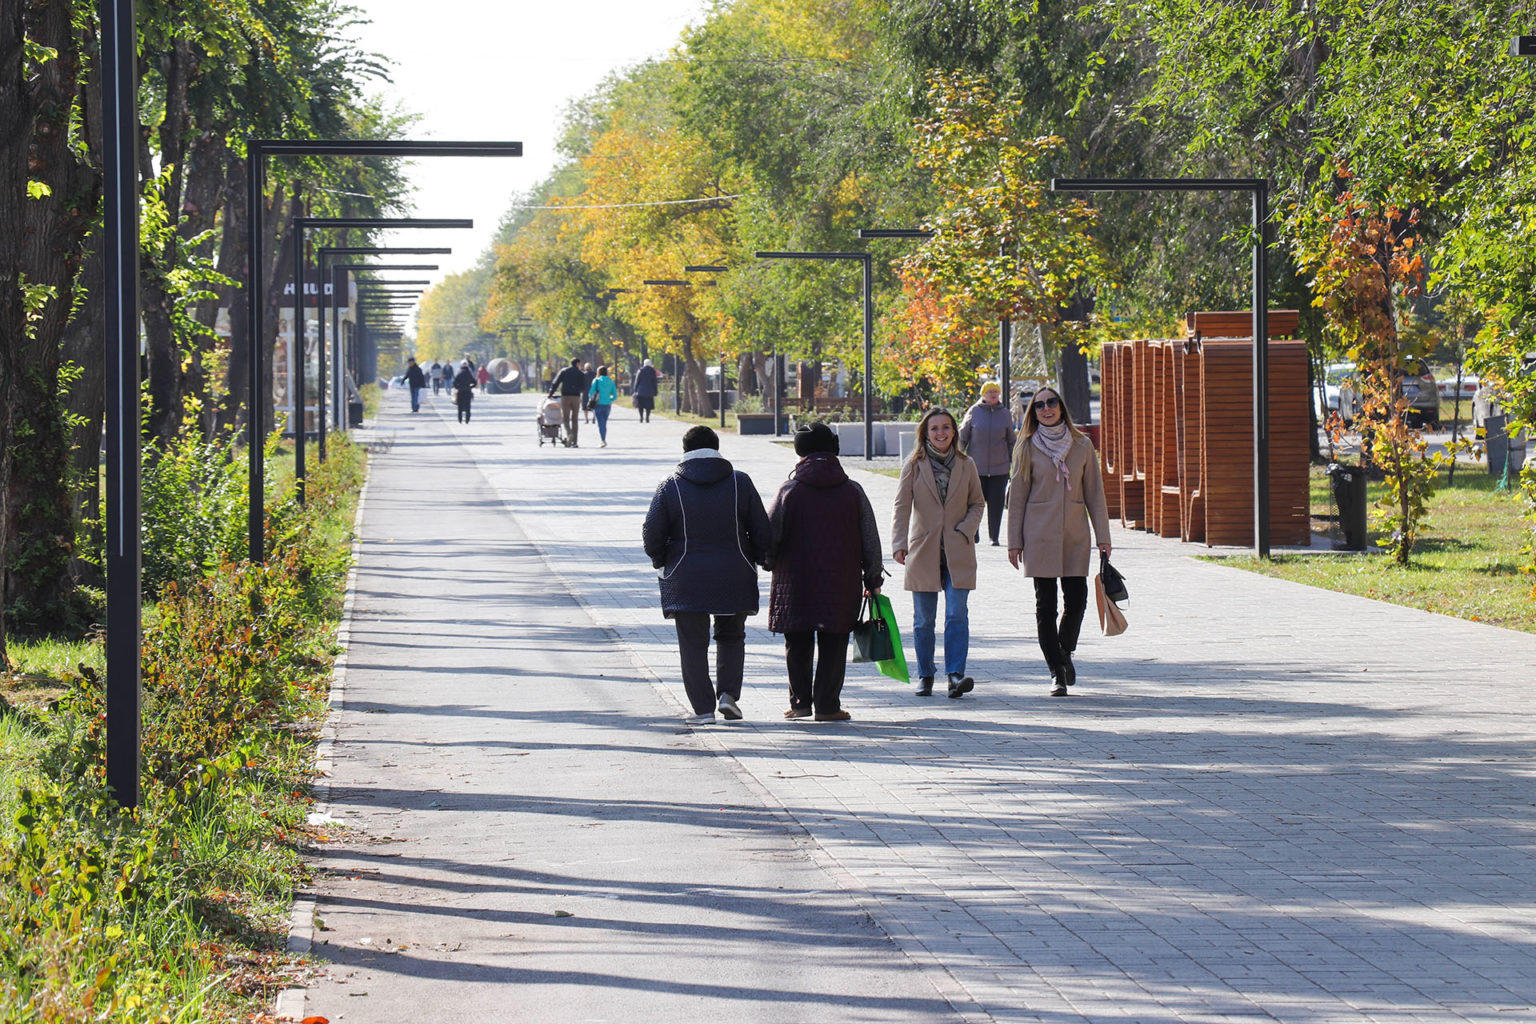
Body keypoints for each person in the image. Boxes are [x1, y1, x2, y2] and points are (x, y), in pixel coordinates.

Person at [642, 426, 772, 725]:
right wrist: (763, 557)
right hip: (734, 571)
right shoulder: (739, 481)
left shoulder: (670, 485)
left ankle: (702, 709)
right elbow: (761, 528)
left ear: (685, 451)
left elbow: (652, 533)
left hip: (685, 575)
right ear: (717, 448)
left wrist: (660, 561)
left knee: (692, 642)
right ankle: (728, 695)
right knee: (731, 635)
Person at [767, 423, 884, 722]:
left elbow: (771, 535)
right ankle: (828, 706)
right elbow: (870, 537)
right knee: (834, 642)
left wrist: (768, 561)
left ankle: (800, 703)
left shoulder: (789, 491)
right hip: (840, 582)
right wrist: (873, 578)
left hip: (795, 583)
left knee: (797, 641)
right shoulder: (852, 490)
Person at [1006, 385, 1112, 697]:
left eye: (1052, 403)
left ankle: (1064, 652)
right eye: (1039, 406)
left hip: (1075, 534)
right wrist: (1014, 543)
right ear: (1033, 413)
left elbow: (1095, 493)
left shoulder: (1081, 445)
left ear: (1061, 407)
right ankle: (1056, 672)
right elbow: (1018, 499)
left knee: (1077, 600)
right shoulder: (1026, 448)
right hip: (1038, 535)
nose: (1046, 409)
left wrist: (1103, 537)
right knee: (1046, 606)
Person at [891, 407, 985, 699]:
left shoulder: (966, 464)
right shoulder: (914, 465)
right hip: (923, 551)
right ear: (925, 433)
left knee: (957, 614)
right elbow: (902, 505)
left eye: (946, 427)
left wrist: (966, 529)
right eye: (934, 428)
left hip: (958, 550)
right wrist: (898, 542)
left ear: (954, 431)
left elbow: (978, 503)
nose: (941, 433)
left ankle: (955, 675)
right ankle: (925, 674)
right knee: (923, 620)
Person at [959, 380, 1017, 545]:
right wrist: (956, 457)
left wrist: (1015, 462)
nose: (993, 394)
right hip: (976, 467)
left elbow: (1011, 440)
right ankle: (974, 533)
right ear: (983, 395)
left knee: (996, 503)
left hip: (1000, 468)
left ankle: (994, 537)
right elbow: (963, 435)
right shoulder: (974, 412)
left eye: (995, 392)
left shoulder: (1005, 413)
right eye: (989, 392)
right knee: (975, 502)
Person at [548, 357, 586, 446]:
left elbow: (556, 382)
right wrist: (577, 390)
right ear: (577, 364)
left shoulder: (564, 371)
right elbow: (583, 387)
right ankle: (575, 442)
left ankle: (569, 434)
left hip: (565, 396)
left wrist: (551, 393)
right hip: (576, 397)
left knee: (565, 418)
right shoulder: (581, 373)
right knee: (575, 419)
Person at [587, 364, 618, 446]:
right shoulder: (611, 381)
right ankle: (603, 439)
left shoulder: (596, 381)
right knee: (604, 422)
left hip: (598, 404)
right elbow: (614, 396)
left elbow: (590, 393)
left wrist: (593, 398)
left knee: (601, 423)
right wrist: (609, 399)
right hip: (607, 405)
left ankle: (603, 440)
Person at [633, 358, 658, 422]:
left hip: (641, 391)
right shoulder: (652, 371)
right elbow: (654, 382)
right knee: (648, 406)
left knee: (640, 405)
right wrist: (655, 391)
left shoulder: (640, 370)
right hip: (650, 391)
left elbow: (637, 381)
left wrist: (635, 390)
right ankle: (647, 417)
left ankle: (641, 417)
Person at [452, 359, 476, 423]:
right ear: (467, 365)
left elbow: (454, 382)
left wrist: (458, 387)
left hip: (460, 392)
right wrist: (470, 387)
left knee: (460, 406)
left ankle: (460, 420)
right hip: (467, 391)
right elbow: (474, 382)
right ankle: (467, 420)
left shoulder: (459, 372)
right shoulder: (469, 373)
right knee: (468, 406)